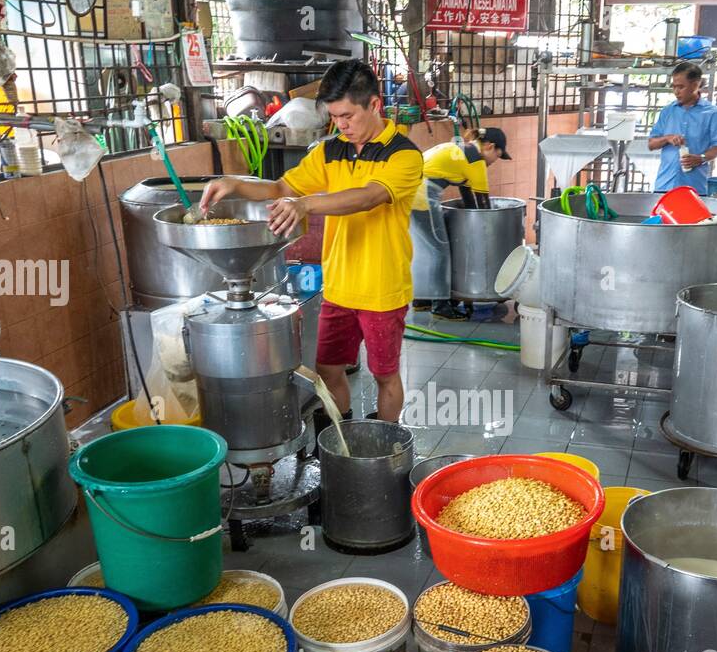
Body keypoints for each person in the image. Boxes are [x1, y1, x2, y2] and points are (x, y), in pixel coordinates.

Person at [199, 60, 423, 425]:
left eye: (348, 115)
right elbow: (280, 188)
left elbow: (366, 197)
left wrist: (304, 204)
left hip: (383, 289)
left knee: (384, 374)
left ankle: (386, 438)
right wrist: (235, 184)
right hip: (338, 288)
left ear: (374, 105)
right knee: (328, 369)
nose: (342, 125)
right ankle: (341, 434)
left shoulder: (403, 154)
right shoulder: (330, 151)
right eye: (335, 117)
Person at [409, 127, 510, 320]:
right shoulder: (476, 160)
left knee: (425, 248)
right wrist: (488, 234)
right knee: (439, 251)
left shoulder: (462, 150)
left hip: (411, 192)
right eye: (497, 156)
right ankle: (440, 306)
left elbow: (467, 196)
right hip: (421, 195)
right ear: (489, 146)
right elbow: (483, 204)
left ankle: (422, 298)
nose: (494, 162)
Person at [647, 61, 717, 195]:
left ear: (696, 85)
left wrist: (700, 158)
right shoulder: (668, 111)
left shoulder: (712, 113)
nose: (676, 92)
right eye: (674, 87)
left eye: (681, 87)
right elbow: (651, 144)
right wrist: (667, 138)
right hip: (664, 186)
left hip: (694, 188)